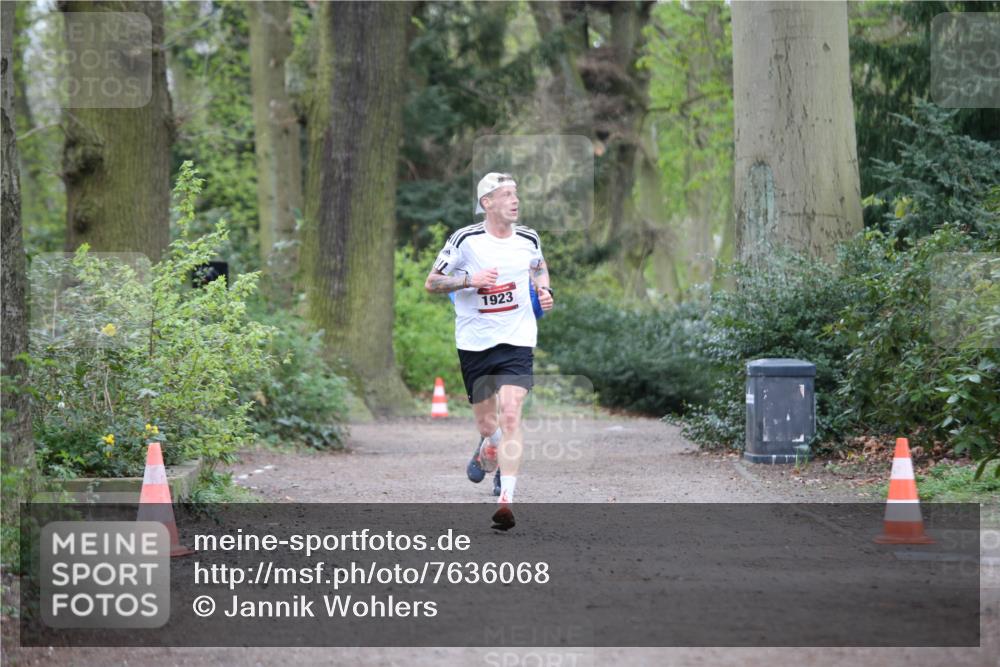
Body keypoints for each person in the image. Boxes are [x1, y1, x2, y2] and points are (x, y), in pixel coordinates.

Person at [424, 172, 553, 530]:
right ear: (487, 203)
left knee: (511, 414)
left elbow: (538, 268)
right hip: (475, 342)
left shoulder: (528, 237)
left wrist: (546, 291)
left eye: (516, 194)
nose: (515, 200)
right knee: (487, 423)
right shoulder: (466, 240)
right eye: (506, 195)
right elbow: (432, 282)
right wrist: (470, 280)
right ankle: (488, 447)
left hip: (517, 338)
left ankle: (506, 500)